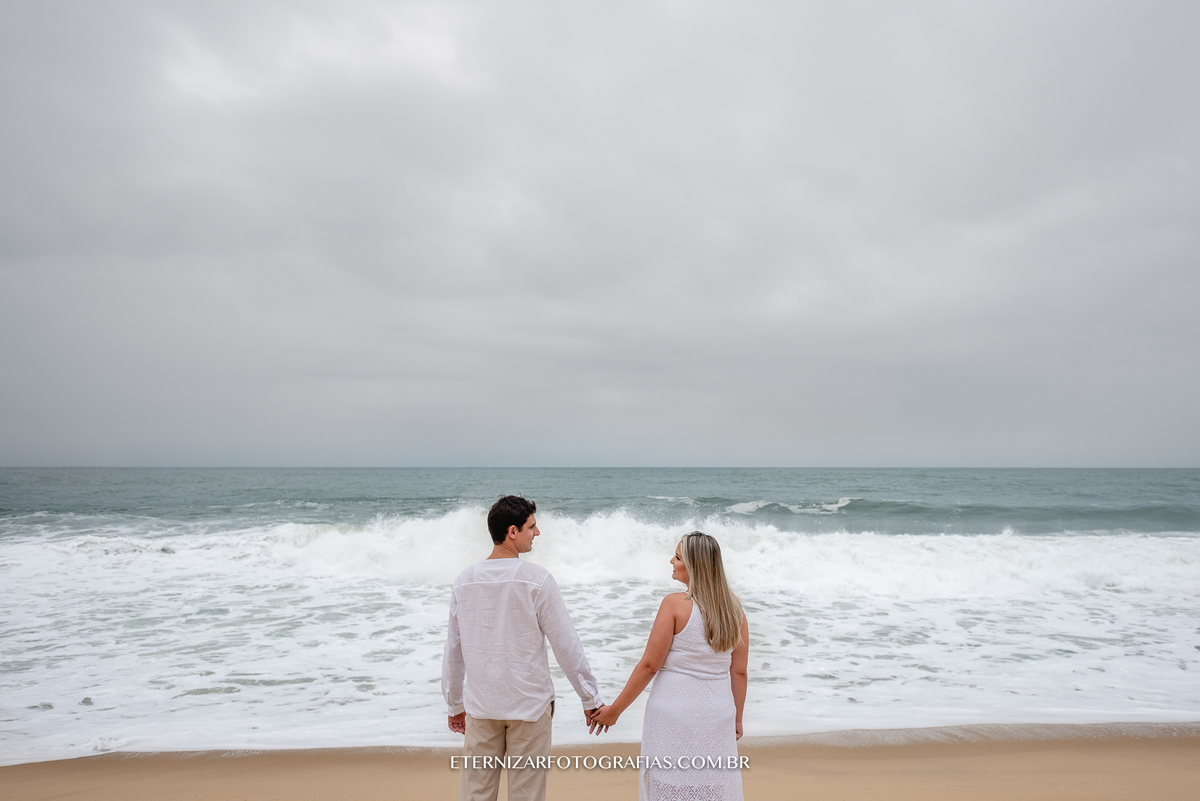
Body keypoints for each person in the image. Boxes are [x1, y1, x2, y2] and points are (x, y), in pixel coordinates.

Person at [442, 495, 604, 801]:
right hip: (529, 708)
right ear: (512, 532)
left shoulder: (464, 582)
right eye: (532, 526)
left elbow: (454, 651)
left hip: (481, 707)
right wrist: (590, 698)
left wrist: (454, 705)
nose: (537, 533)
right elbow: (566, 644)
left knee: (476, 796)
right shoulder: (537, 581)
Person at [589, 531, 749, 801]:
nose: (671, 561)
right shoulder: (735, 611)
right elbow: (739, 671)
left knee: (670, 787)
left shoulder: (674, 604)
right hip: (718, 713)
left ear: (694, 565)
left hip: (673, 714)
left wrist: (615, 710)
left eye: (677, 557)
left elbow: (650, 666)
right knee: (711, 787)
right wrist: (737, 717)